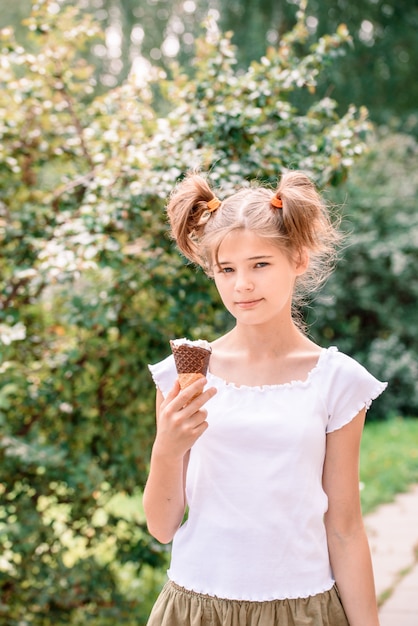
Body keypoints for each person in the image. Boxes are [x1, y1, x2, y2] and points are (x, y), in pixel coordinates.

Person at [144, 170, 387, 626]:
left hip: (303, 608)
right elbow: (161, 527)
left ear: (297, 258)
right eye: (227, 270)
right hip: (197, 606)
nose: (242, 286)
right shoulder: (182, 375)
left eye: (260, 264)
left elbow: (345, 528)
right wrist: (167, 448)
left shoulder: (336, 381)